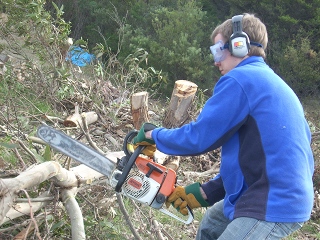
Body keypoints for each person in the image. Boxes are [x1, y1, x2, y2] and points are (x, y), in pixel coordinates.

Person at [132, 13, 314, 240]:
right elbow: (254, 160)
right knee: (210, 227)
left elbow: (199, 137)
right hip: (267, 194)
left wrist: (154, 135)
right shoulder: (268, 82)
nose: (216, 61)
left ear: (239, 45)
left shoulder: (241, 79)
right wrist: (203, 194)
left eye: (219, 50)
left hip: (272, 201)